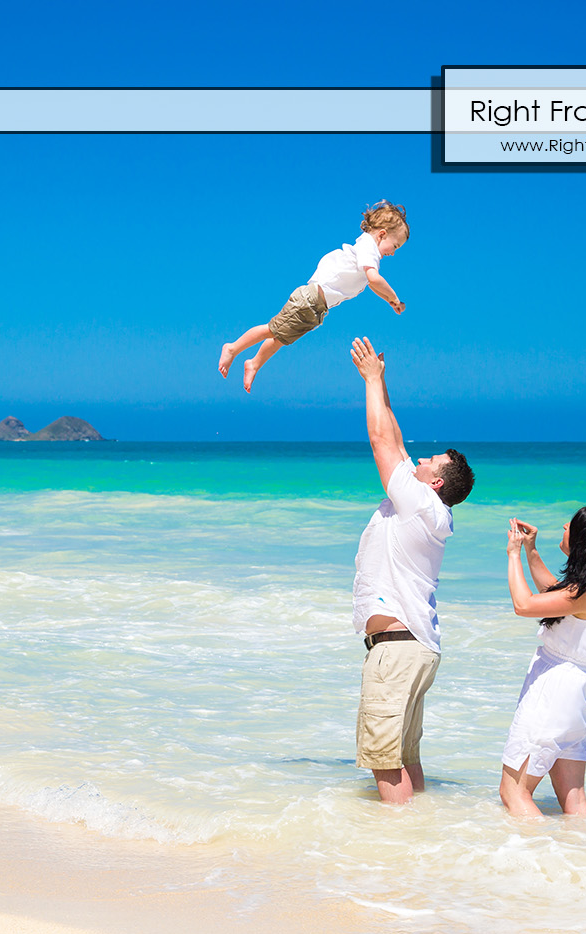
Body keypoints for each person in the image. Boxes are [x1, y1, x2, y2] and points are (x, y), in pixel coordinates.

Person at [349, 336, 474, 804]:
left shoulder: (420, 502)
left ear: (436, 482)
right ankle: (419, 852)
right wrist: (382, 388)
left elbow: (382, 442)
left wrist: (373, 381)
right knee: (406, 756)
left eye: (430, 461)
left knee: (385, 762)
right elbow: (397, 443)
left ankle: (394, 860)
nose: (419, 458)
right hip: (416, 647)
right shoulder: (428, 508)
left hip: (397, 649)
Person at [498, 506, 586, 818]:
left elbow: (524, 604)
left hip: (556, 690)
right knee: (574, 800)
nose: (564, 525)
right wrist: (531, 551)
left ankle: (540, 859)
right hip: (582, 696)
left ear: (584, 542)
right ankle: (584, 857)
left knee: (514, 792)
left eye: (571, 526)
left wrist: (513, 553)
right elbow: (553, 595)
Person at [219, 202, 408, 393]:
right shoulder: (369, 247)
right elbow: (374, 279)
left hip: (316, 308)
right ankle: (232, 348)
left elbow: (371, 284)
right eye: (395, 246)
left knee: (281, 337)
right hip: (309, 301)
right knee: (272, 329)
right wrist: (395, 297)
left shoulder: (367, 254)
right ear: (382, 234)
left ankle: (254, 364)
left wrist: (388, 301)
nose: (392, 253)